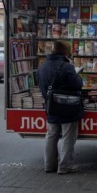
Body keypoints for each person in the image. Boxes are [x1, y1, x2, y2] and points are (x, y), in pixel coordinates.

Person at [38, 40, 84, 175]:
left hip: (51, 106)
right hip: (67, 107)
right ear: (65, 52)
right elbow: (77, 85)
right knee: (68, 136)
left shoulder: (43, 67)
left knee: (51, 135)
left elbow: (41, 86)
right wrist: (77, 74)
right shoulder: (66, 67)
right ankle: (65, 166)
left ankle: (49, 164)